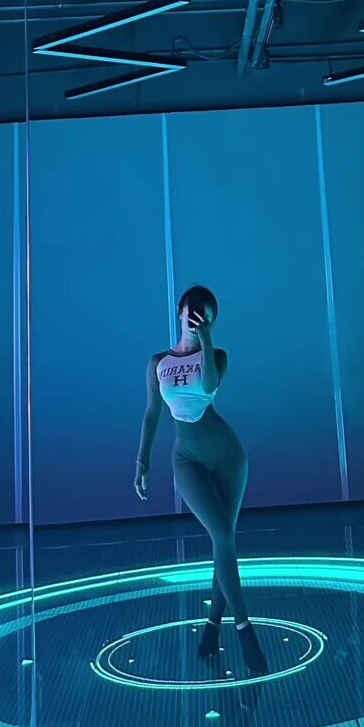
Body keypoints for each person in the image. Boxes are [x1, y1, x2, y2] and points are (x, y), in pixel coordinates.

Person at [134, 285, 268, 675]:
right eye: (192, 311)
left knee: (224, 540)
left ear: (212, 320)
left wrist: (205, 341)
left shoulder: (218, 355)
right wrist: (142, 461)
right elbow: (152, 413)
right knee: (222, 536)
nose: (196, 318)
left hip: (227, 454)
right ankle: (245, 632)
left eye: (205, 315)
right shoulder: (157, 362)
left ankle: (213, 628)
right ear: (180, 311)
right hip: (186, 457)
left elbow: (208, 386)